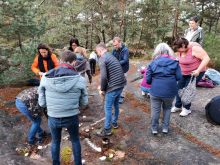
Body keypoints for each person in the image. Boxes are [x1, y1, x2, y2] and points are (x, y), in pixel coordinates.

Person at [38, 50, 88, 165]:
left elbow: (42, 102)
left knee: (55, 141)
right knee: (75, 140)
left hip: (53, 116)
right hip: (71, 116)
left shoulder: (46, 76)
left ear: (61, 61)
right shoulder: (80, 79)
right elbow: (83, 102)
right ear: (74, 62)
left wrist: (48, 106)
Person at [146, 43, 182, 135]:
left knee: (155, 110)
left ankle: (154, 128)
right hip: (170, 91)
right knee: (167, 108)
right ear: (169, 51)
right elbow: (179, 77)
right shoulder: (175, 62)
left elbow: (148, 80)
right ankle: (165, 128)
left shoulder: (153, 63)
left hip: (156, 90)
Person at [172, 38, 210, 116]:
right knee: (179, 88)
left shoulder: (195, 48)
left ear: (183, 45)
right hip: (183, 73)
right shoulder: (181, 48)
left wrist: (198, 71)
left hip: (194, 73)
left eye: (179, 50)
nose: (179, 52)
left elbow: (206, 58)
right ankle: (178, 105)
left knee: (187, 90)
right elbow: (179, 59)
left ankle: (186, 108)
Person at [96, 43, 127, 137]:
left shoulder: (102, 58)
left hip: (114, 86)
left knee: (108, 107)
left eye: (98, 52)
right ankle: (114, 123)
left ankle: (107, 129)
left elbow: (103, 77)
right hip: (121, 84)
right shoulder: (110, 55)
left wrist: (102, 89)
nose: (98, 54)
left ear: (100, 50)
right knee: (116, 103)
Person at [112, 37, 129, 104]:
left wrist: (116, 63)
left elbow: (125, 60)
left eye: (116, 45)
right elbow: (112, 57)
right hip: (116, 69)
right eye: (114, 45)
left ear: (120, 42)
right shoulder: (114, 49)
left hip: (123, 69)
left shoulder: (125, 50)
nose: (115, 46)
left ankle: (121, 96)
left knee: (122, 82)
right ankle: (116, 94)